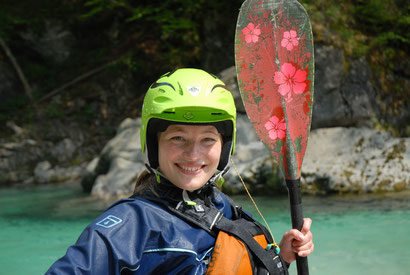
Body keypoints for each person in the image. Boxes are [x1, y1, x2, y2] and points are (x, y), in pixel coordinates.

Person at [46, 68, 314, 274]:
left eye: (208, 139)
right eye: (177, 138)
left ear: (224, 146)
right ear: (153, 144)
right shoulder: (129, 225)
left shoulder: (222, 206)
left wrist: (283, 256)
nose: (193, 154)